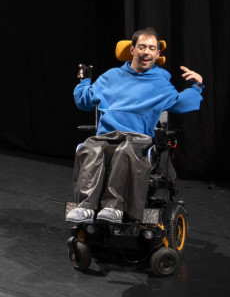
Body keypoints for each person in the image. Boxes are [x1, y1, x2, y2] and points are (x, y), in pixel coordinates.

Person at [65, 27, 204, 224]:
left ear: (158, 53)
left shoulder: (161, 83)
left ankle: (114, 208)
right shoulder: (110, 77)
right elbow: (84, 101)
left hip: (137, 138)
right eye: (142, 47)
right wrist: (84, 80)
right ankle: (86, 207)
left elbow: (181, 103)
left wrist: (197, 86)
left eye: (151, 48)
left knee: (125, 150)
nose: (146, 52)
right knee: (90, 147)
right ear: (132, 50)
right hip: (107, 135)